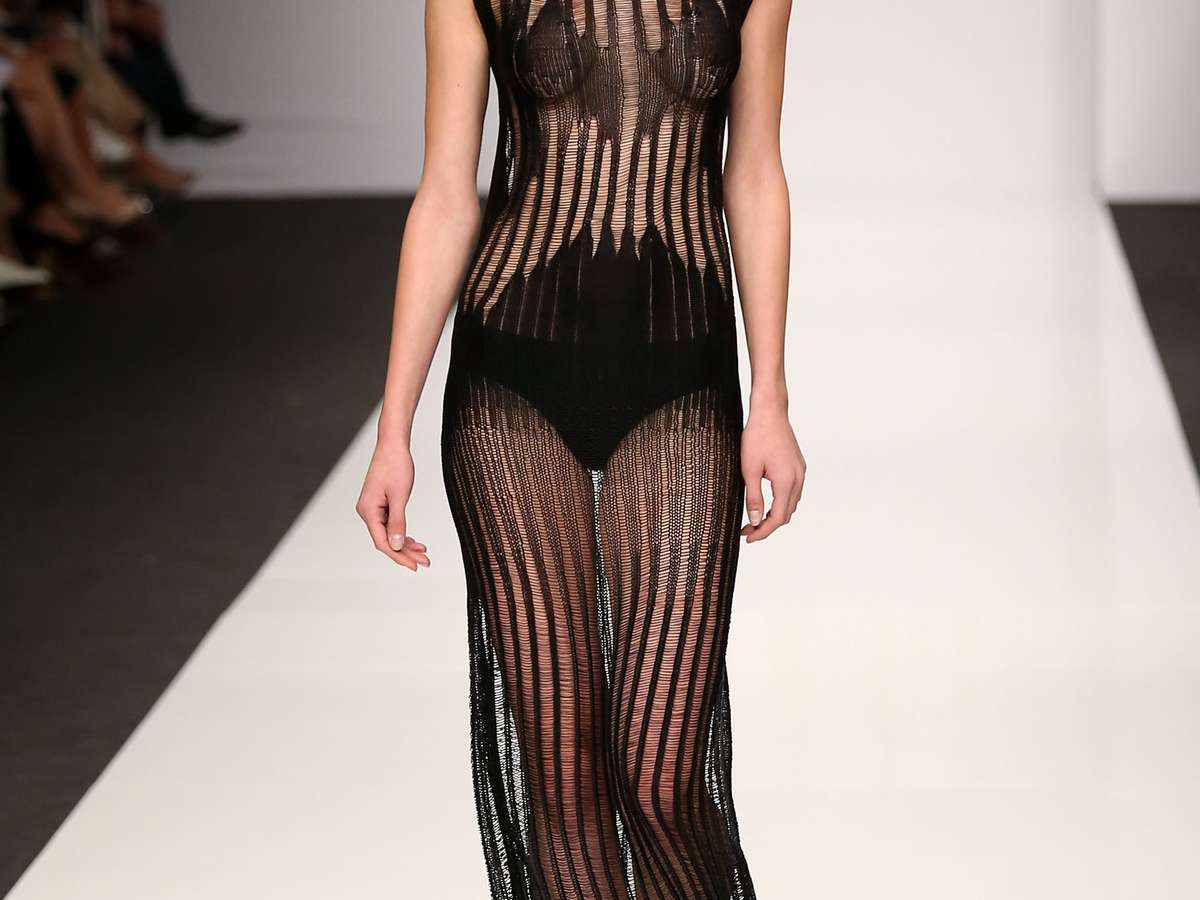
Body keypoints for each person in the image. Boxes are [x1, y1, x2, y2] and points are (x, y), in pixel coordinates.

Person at [358, 0, 804, 896]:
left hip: (682, 381)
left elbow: (754, 174)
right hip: (510, 385)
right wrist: (392, 426)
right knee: (561, 780)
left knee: (661, 777)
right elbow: (446, 194)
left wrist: (771, 396)